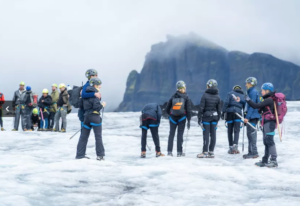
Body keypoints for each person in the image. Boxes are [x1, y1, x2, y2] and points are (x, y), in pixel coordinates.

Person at [236, 83, 278, 168]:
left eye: (263, 90)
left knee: (269, 141)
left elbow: (256, 106)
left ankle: (274, 160)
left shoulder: (269, 100)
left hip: (270, 124)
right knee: (266, 142)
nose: (261, 92)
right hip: (266, 123)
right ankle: (265, 160)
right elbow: (259, 108)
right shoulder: (267, 100)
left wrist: (248, 99)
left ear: (267, 91)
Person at [75, 77, 106, 160]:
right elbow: (96, 107)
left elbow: (80, 106)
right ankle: (100, 156)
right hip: (95, 117)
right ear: (95, 85)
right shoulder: (96, 94)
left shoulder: (84, 93)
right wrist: (102, 105)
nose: (100, 86)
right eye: (99, 85)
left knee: (83, 137)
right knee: (98, 137)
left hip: (86, 118)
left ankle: (79, 155)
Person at [166, 80, 192, 157]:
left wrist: (170, 115)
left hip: (172, 118)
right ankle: (179, 152)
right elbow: (188, 110)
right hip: (182, 118)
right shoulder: (186, 97)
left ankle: (169, 152)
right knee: (180, 135)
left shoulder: (173, 96)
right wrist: (189, 120)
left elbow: (167, 109)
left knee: (171, 134)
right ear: (184, 88)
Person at [197, 79, 221, 158]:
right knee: (213, 134)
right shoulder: (218, 96)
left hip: (206, 117)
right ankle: (211, 152)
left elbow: (201, 108)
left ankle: (205, 152)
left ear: (208, 86)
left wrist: (199, 118)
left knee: (206, 134)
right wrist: (218, 119)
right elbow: (219, 109)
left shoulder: (205, 95)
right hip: (215, 117)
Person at [221, 85, 246, 154]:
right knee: (236, 130)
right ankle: (235, 146)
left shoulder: (230, 93)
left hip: (230, 113)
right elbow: (245, 107)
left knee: (230, 131)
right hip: (238, 113)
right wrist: (245, 117)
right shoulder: (243, 96)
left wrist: (223, 112)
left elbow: (226, 103)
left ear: (233, 89)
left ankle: (231, 147)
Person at [243, 77, 261, 159]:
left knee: (251, 134)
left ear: (251, 83)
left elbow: (252, 106)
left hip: (253, 116)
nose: (245, 84)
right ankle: (251, 152)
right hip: (253, 116)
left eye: (247, 83)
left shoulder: (253, 92)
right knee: (250, 134)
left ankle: (254, 152)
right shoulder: (251, 92)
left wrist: (247, 117)